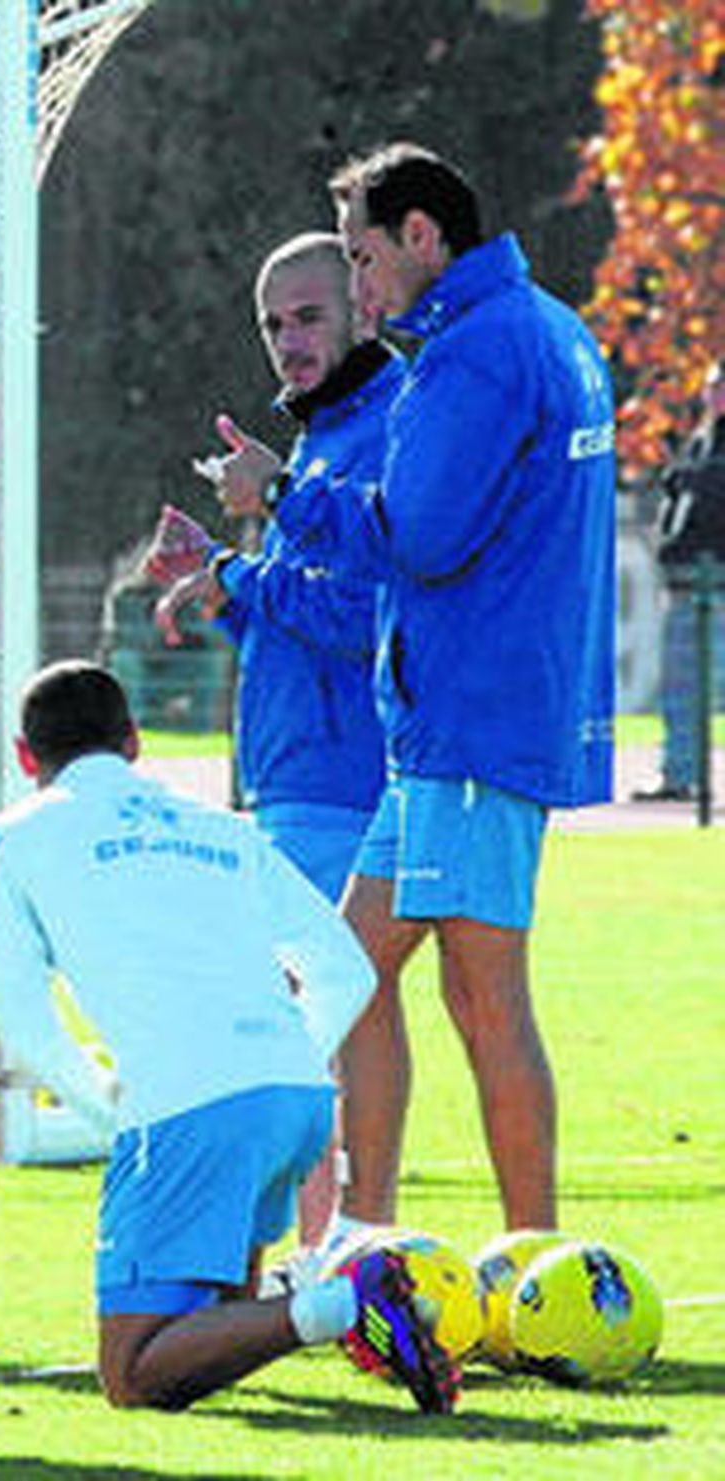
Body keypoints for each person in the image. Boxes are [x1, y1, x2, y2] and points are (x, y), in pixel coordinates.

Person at [213, 143, 617, 1234]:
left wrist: (281, 492)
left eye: (361, 255)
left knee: (482, 1000)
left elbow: (421, 538)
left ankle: (536, 1259)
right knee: (343, 967)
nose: (357, 285)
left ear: (422, 237)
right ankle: (357, 1237)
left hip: (471, 723)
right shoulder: (542, 329)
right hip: (451, 726)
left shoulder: (478, 351)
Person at [0, 660, 456, 1414]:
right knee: (209, 1332)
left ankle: (341, 1300)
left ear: (26, 756)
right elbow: (346, 972)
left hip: (187, 1108)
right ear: (133, 743)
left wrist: (109, 1111)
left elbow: (24, 1020)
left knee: (132, 1374)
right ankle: (321, 1306)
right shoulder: (224, 827)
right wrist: (284, 1056)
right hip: (297, 1099)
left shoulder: (10, 840)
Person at [148, 233, 397, 1258]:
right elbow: (299, 626)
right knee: (323, 1017)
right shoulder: (321, 444)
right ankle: (330, 1245)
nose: (288, 342)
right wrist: (221, 582)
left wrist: (241, 571)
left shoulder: (382, 432)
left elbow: (365, 611)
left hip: (346, 781)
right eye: (271, 323)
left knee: (312, 1016)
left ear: (360, 310)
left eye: (308, 316)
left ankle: (326, 1247)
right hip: (292, 774)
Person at [636, 357, 725, 802]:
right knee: (682, 690)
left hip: (716, 585)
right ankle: (680, 776)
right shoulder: (700, 443)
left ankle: (683, 776)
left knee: (697, 687)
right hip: (686, 583)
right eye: (713, 386)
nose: (715, 395)